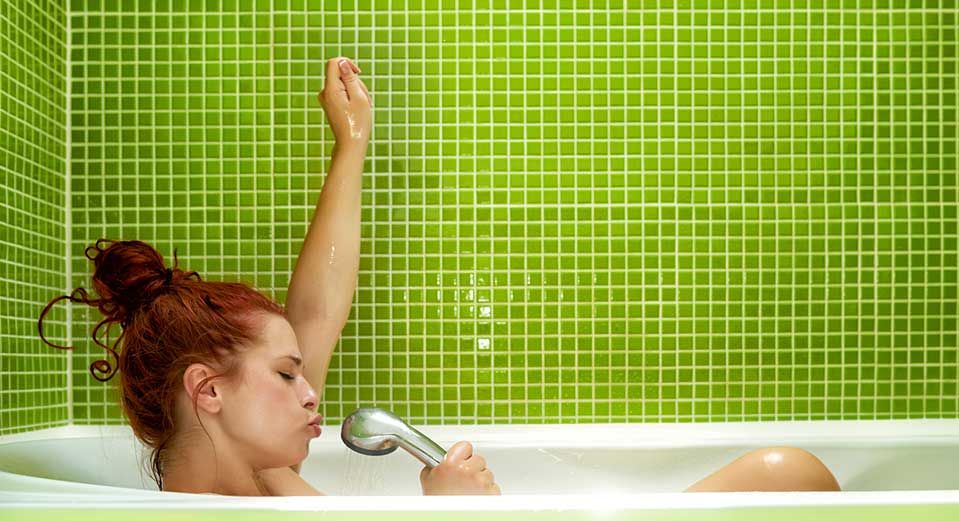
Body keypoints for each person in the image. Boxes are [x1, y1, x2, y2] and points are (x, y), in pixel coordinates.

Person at [38, 56, 839, 496]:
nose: (314, 391)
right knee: (789, 478)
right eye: (286, 374)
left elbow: (318, 307)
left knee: (787, 474)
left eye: (299, 371)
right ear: (207, 390)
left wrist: (352, 144)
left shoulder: (264, 475)